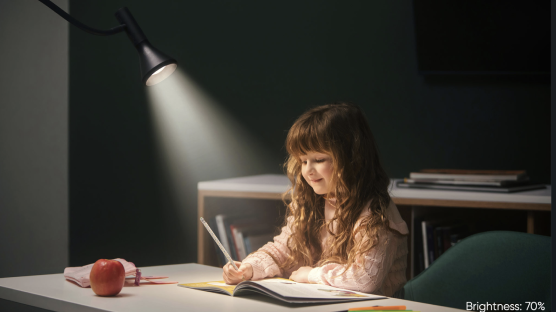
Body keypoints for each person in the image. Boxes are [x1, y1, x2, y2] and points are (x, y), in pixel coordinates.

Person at [222, 103, 409, 297]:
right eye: (303, 161)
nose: (308, 171)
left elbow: (366, 279)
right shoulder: (311, 202)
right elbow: (282, 250)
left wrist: (312, 274)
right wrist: (249, 267)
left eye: (319, 160)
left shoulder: (376, 211)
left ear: (352, 158)